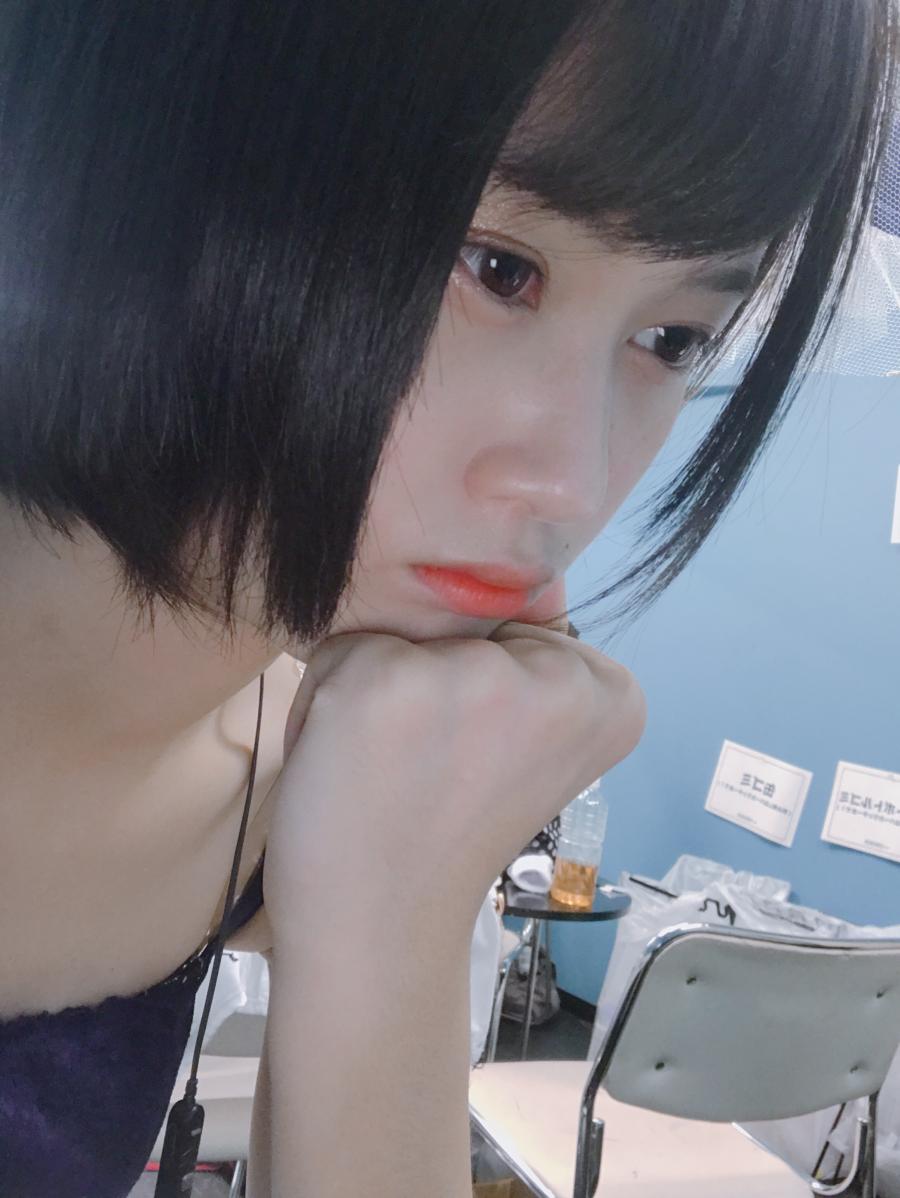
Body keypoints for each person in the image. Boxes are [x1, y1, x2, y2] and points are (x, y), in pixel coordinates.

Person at [0, 3, 896, 1196]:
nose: (569, 481)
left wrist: (397, 908)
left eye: (673, 339)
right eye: (498, 268)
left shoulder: (290, 773)